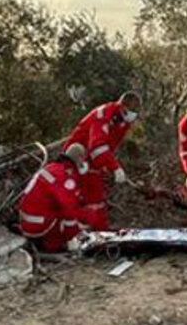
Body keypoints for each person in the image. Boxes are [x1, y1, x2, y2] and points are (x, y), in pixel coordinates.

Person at [63, 91, 142, 230]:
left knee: (96, 199)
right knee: (86, 198)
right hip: (77, 159)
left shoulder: (123, 120)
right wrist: (114, 167)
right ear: (123, 106)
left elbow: (109, 145)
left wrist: (107, 165)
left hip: (91, 162)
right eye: (133, 110)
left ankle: (99, 231)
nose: (134, 114)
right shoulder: (103, 115)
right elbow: (97, 147)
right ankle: (85, 233)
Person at [16, 144, 99, 253]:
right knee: (72, 218)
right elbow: (68, 211)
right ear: (79, 159)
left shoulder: (52, 167)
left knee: (80, 214)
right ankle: (54, 246)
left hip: (27, 221)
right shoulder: (65, 176)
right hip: (39, 226)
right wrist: (73, 235)